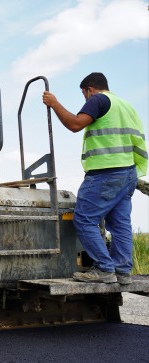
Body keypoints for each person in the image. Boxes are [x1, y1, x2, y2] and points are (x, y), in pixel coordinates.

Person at [42, 72, 147, 285]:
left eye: (84, 95)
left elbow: (75, 124)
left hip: (105, 172)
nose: (85, 100)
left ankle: (104, 269)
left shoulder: (99, 99)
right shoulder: (125, 106)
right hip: (127, 172)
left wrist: (55, 104)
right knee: (120, 224)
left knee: (84, 219)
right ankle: (122, 271)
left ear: (89, 89)